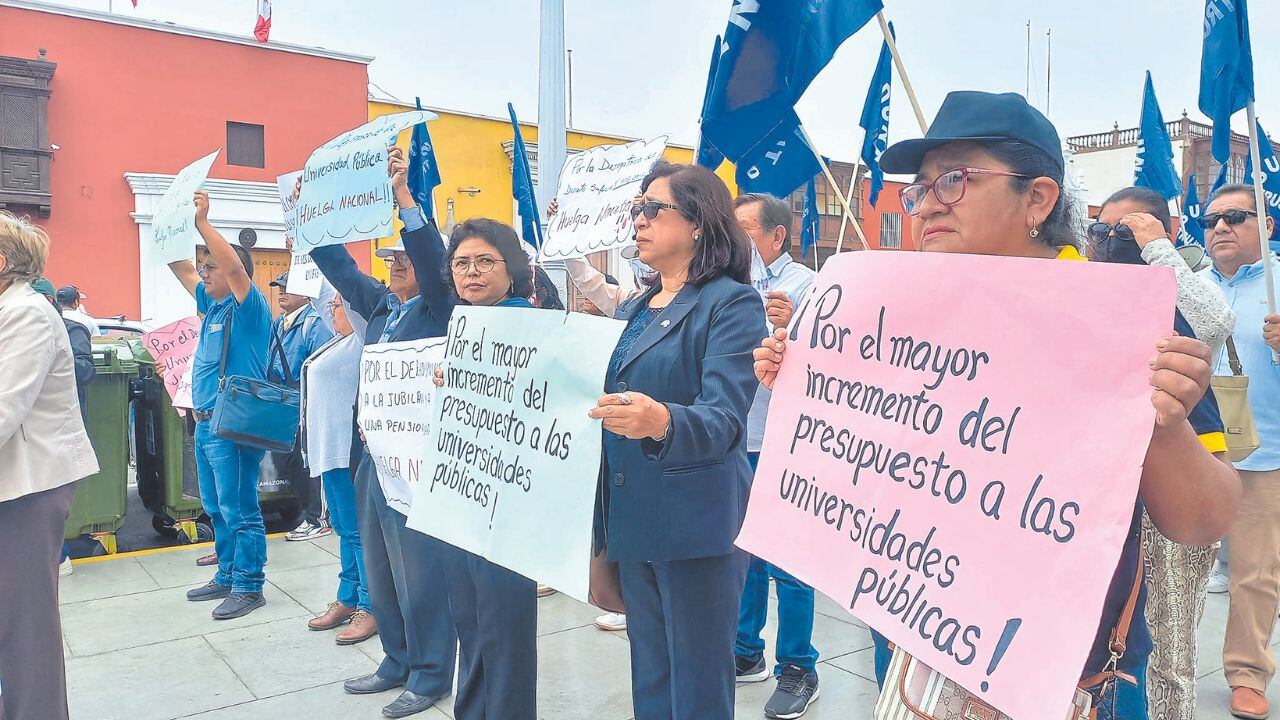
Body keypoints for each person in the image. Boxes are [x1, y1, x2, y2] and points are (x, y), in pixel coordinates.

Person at [752, 91, 1241, 719]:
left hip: (1061, 670)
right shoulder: (901, 318)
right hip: (919, 639)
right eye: (920, 188)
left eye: (953, 180)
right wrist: (807, 385)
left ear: (1036, 198)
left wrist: (1166, 427)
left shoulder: (1119, 318)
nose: (927, 204)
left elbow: (1205, 520)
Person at [587, 161, 764, 720]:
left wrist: (661, 421)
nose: (637, 221)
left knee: (698, 689)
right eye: (634, 210)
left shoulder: (731, 303)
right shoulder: (637, 307)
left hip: (695, 526)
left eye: (651, 209)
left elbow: (723, 420)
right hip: (635, 518)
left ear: (697, 223)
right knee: (653, 678)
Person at [309, 146, 458, 719]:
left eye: (405, 260)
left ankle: (429, 673)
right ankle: (396, 659)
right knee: (380, 565)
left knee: (419, 571)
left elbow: (430, 258)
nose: (396, 266)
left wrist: (405, 203)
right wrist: (313, 221)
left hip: (420, 464)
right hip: (376, 457)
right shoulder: (383, 309)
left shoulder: (439, 307)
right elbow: (342, 271)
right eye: (391, 259)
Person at [1092, 186, 1236, 720]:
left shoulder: (1183, 279)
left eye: (1127, 228)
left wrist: (1156, 248)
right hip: (1116, 482)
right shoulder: (1097, 288)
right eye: (1103, 229)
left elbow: (1215, 323)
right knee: (1124, 634)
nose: (1115, 239)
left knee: (1171, 640)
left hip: (1185, 474)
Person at [429, 216, 541, 720]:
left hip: (509, 503)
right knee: (469, 620)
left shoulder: (528, 322)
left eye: (484, 262)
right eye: (461, 263)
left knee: (502, 628)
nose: (471, 273)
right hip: (464, 495)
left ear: (510, 269)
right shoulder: (465, 321)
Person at [0, 212, 98, 720]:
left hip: (26, 487)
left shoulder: (27, 314)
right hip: (14, 483)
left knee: (24, 626)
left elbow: (5, 406)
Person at [731, 192, 820, 718]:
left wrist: (794, 328)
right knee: (743, 554)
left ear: (775, 236)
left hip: (786, 442)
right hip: (736, 437)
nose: (736, 239)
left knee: (789, 561)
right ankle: (745, 651)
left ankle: (797, 666)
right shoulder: (724, 285)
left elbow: (829, 364)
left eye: (745, 230)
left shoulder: (807, 287)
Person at [165, 190, 273, 621]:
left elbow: (230, 264)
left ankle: (249, 584)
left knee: (240, 506)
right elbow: (179, 267)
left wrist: (204, 224)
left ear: (234, 274)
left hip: (233, 425)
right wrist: (171, 221)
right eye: (204, 266)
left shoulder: (250, 309)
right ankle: (227, 573)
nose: (204, 272)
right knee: (216, 506)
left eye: (210, 266)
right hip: (206, 423)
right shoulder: (212, 306)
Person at [1196, 182, 1280, 720]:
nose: (1221, 227)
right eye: (1211, 220)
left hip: (1264, 455)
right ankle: (1159, 661)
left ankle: (1248, 672)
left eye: (1235, 217)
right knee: (1173, 571)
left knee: (1254, 572)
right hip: (1193, 453)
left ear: (1266, 226)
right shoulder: (1185, 286)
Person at [299, 292, 376, 645]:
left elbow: (330, 291)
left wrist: (319, 249)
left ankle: (369, 605)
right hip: (328, 452)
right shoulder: (336, 343)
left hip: (348, 452)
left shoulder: (361, 339)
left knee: (359, 533)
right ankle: (347, 596)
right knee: (344, 530)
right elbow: (318, 298)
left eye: (337, 306)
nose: (331, 310)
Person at [265, 272, 335, 542]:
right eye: (279, 287)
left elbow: (320, 366)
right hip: (282, 406)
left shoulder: (313, 324)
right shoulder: (279, 324)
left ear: (306, 293)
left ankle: (317, 518)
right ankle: (308, 514)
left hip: (303, 406)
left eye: (288, 287)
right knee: (290, 463)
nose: (281, 291)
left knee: (306, 463)